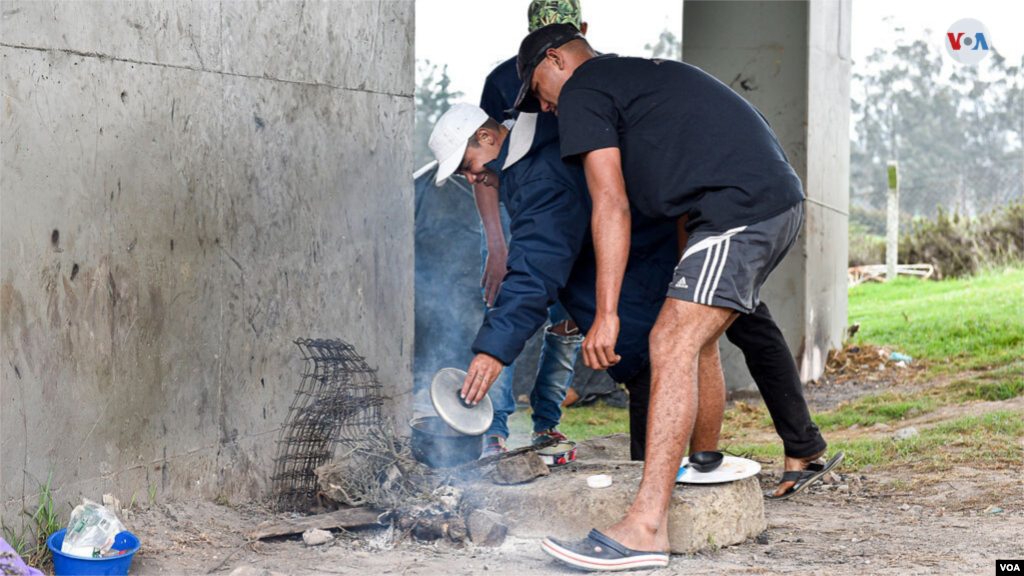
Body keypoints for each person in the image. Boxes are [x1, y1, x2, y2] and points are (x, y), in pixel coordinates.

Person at [514, 24, 843, 570]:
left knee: (667, 342)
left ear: (554, 60)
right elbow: (698, 167)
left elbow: (611, 205)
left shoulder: (583, 89)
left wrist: (607, 315)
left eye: (535, 91)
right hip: (756, 202)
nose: (544, 108)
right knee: (695, 339)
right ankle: (702, 463)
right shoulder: (636, 80)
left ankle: (645, 528)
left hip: (743, 209)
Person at [466, 0, 588, 455]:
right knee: (505, 311)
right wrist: (497, 246)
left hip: (567, 212)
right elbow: (483, 163)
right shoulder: (502, 81)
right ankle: (494, 428)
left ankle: (546, 424)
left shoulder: (595, 78)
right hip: (514, 218)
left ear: (582, 32)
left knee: (567, 323)